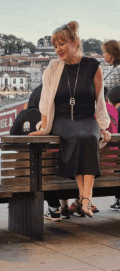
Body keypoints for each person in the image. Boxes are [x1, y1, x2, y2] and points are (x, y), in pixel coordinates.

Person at [29, 21, 111, 219]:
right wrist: (45, 126)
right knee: (77, 137)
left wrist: (102, 126)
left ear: (75, 43)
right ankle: (86, 199)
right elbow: (46, 100)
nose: (58, 50)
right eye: (55, 46)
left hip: (85, 118)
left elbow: (100, 100)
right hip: (62, 119)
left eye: (62, 44)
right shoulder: (53, 67)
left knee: (89, 138)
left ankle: (85, 197)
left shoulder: (93, 66)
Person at [101, 40, 120, 210]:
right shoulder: (110, 69)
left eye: (105, 52)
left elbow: (105, 89)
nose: (103, 55)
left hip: (113, 112)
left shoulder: (118, 70)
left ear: (112, 53)